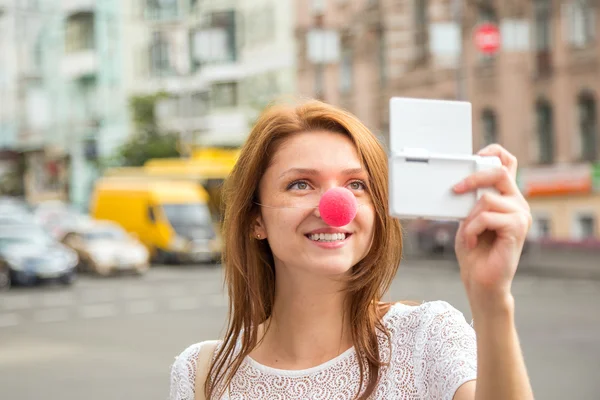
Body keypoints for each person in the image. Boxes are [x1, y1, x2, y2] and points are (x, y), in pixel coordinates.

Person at [169, 99, 534, 400]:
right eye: (300, 184)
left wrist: (492, 300)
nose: (335, 205)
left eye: (356, 184)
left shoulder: (427, 338)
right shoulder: (202, 374)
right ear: (255, 220)